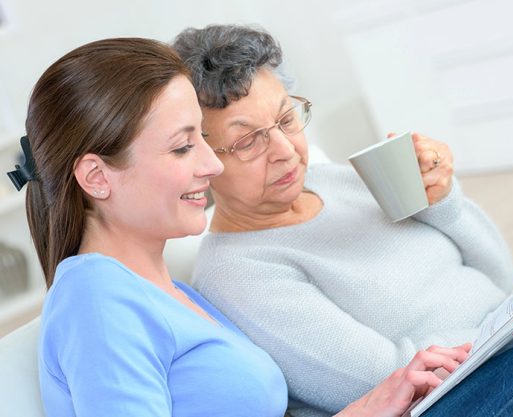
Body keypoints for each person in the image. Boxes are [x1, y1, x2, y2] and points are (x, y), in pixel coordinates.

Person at [172, 24, 513, 416]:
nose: (286, 150)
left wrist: (443, 199)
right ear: (201, 157)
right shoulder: (238, 273)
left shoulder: (337, 180)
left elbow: (497, 276)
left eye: (287, 118)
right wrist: (506, 330)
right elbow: (386, 383)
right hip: (453, 397)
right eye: (249, 141)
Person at [11, 36, 475, 417]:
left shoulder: (162, 291)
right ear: (96, 177)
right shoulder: (96, 302)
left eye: (203, 141)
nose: (213, 165)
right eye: (181, 148)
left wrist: (368, 407)